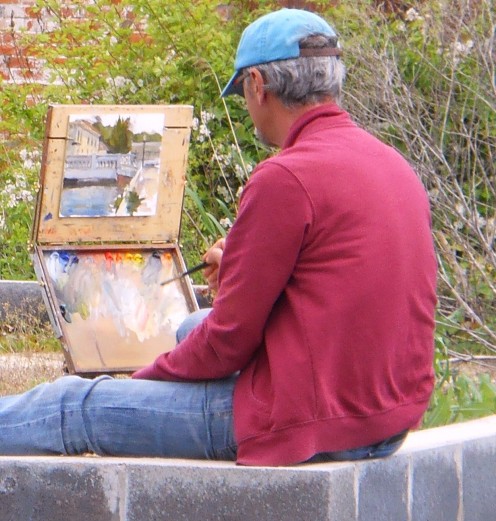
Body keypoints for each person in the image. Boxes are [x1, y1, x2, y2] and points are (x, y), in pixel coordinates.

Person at [0, 8, 437, 466]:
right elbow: (332, 283)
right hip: (384, 421)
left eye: (243, 95)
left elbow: (228, 342)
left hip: (307, 423)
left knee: (73, 405)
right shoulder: (392, 164)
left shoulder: (286, 177)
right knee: (188, 326)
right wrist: (236, 271)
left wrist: (136, 384)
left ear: (257, 85)